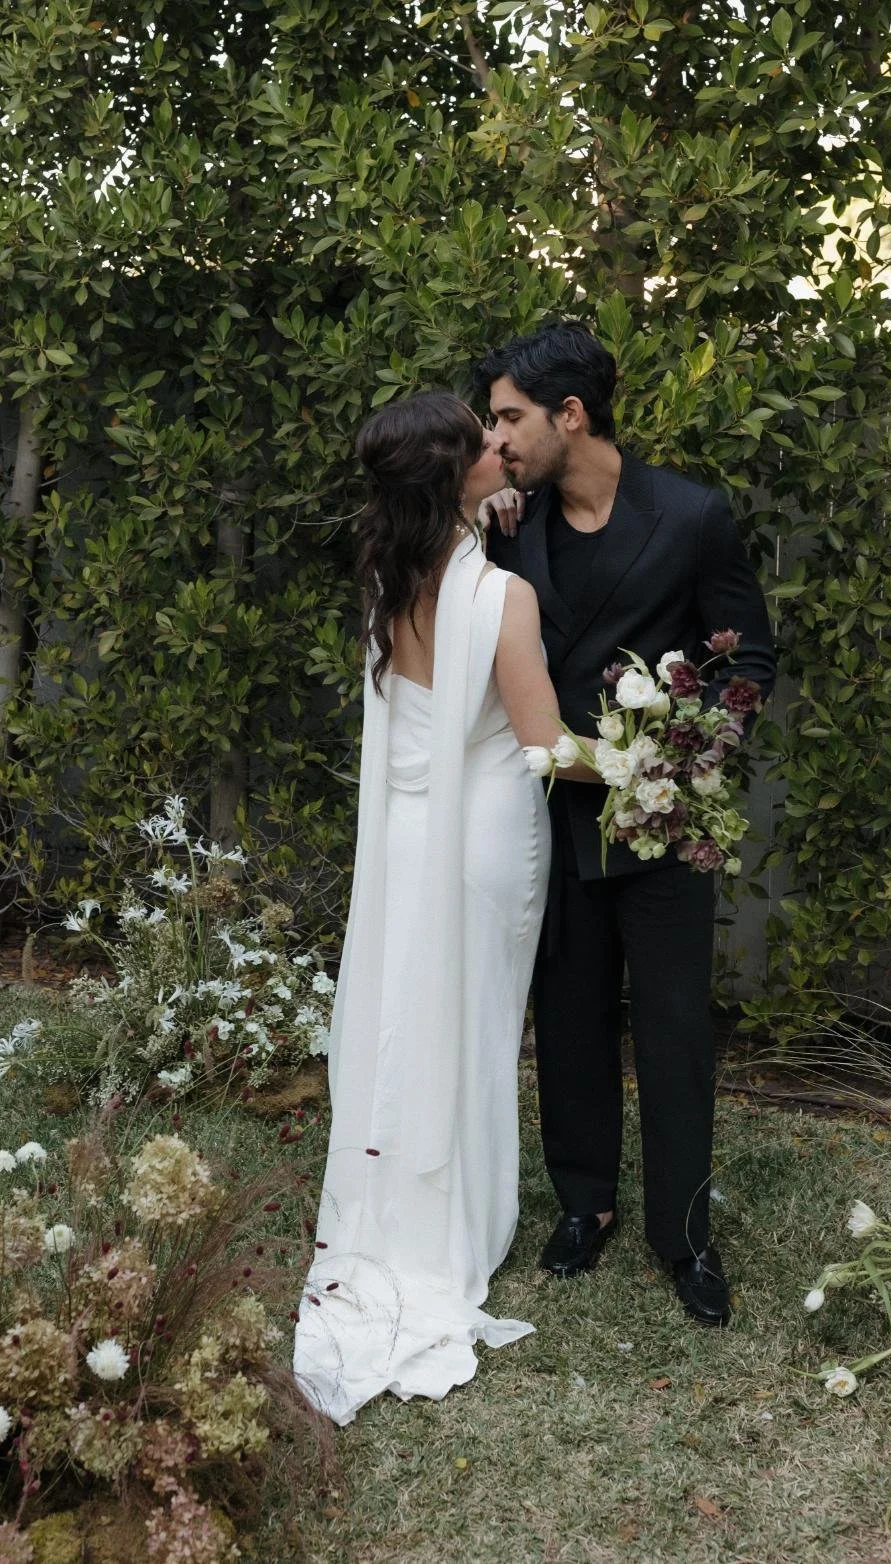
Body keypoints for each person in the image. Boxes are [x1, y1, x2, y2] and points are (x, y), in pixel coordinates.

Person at [293, 391, 600, 1425]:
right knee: (471, 1025)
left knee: (409, 1015)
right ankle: (459, 1221)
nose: (498, 444)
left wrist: (487, 518)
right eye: (480, 441)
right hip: (483, 836)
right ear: (453, 474)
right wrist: (654, 762)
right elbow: (546, 743)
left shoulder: (388, 573)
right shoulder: (502, 600)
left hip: (410, 828)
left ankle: (400, 1198)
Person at [476, 321, 777, 1326]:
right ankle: (584, 1202)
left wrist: (689, 758)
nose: (498, 436)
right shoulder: (511, 524)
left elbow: (748, 662)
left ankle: (684, 1236)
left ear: (572, 414)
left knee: (677, 1028)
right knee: (565, 1017)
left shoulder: (691, 515)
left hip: (660, 827)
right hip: (551, 810)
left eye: (512, 417)